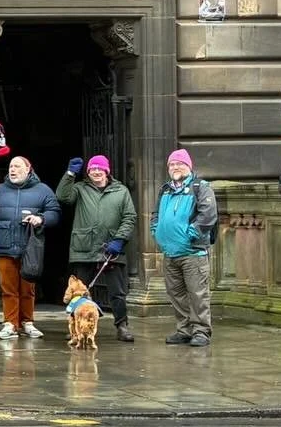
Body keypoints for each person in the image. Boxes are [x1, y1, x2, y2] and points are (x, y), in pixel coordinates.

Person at [0, 156, 61, 341]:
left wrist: (41, 219)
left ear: (28, 169)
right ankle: (10, 323)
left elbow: (55, 212)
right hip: (4, 244)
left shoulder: (42, 190)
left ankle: (27, 322)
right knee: (8, 288)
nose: (12, 170)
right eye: (10, 167)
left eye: (17, 166)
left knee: (27, 288)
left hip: (29, 246)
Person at [57, 154, 138, 343]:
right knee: (80, 293)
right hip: (84, 247)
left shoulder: (121, 191)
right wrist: (69, 174)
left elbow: (130, 217)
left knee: (117, 292)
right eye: (92, 169)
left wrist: (119, 239)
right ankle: (76, 327)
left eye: (100, 169)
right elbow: (62, 196)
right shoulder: (80, 188)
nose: (96, 172)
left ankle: (122, 326)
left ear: (107, 171)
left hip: (111, 250)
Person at [151, 149, 217, 347]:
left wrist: (190, 234)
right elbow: (155, 214)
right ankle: (184, 330)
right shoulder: (165, 190)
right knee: (176, 294)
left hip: (193, 253)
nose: (175, 167)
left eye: (180, 164)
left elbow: (208, 216)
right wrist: (156, 231)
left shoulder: (201, 188)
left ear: (189, 166)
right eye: (172, 164)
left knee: (198, 294)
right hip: (170, 253)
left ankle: (201, 331)